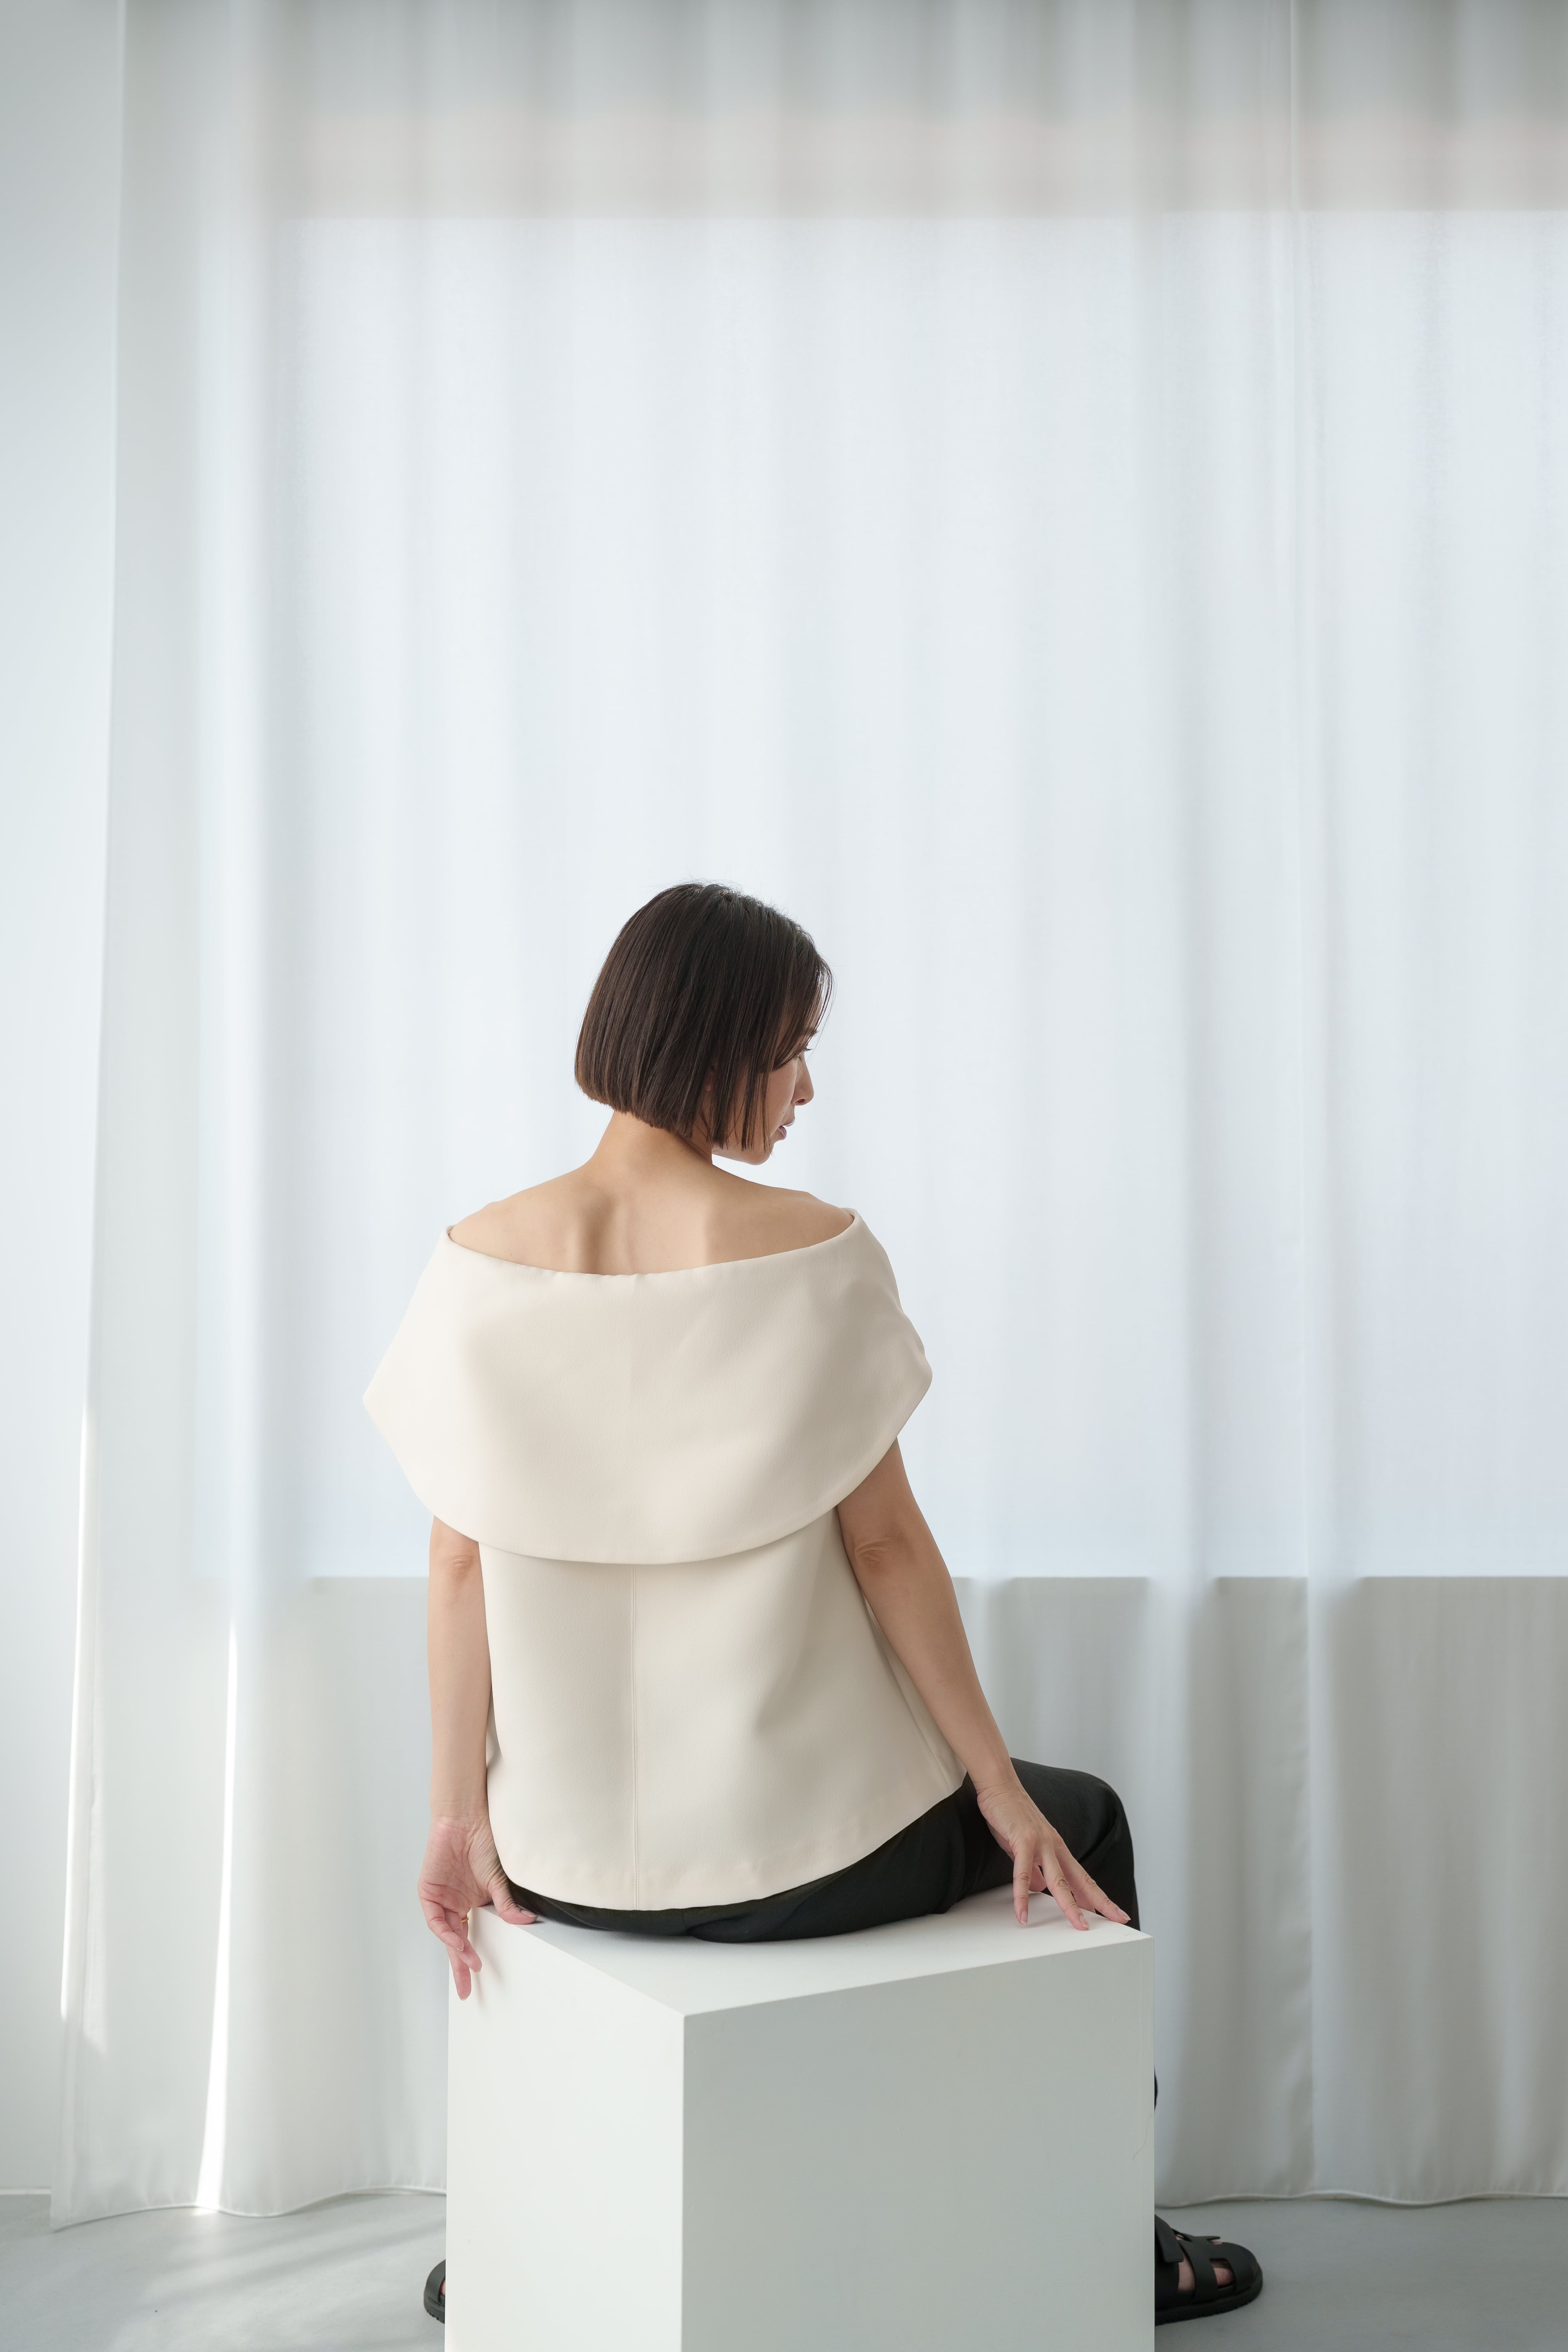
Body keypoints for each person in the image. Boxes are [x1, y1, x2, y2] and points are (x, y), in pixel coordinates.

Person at [365, 881, 1262, 2331]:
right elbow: (889, 1551)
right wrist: (998, 1791)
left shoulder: (475, 1261)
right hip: (805, 1865)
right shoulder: (812, 1249)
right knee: (1083, 1816)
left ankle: (523, 2247)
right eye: (791, 1051)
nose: (805, 1089)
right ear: (719, 1047)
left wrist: (456, 1820)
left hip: (562, 1862)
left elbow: (457, 1566)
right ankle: (1117, 2239)